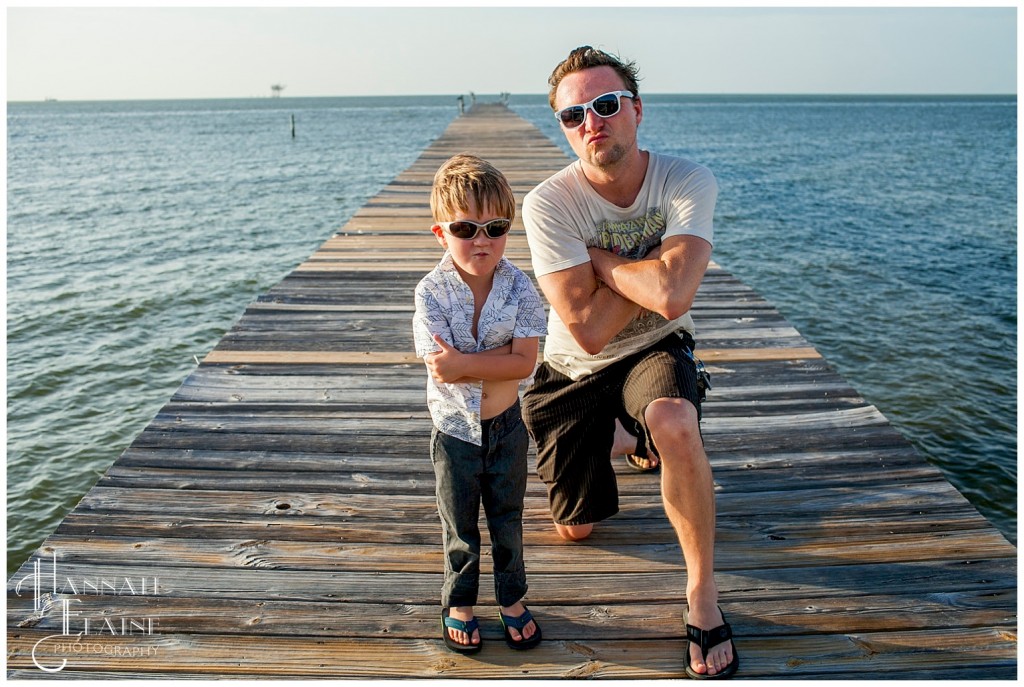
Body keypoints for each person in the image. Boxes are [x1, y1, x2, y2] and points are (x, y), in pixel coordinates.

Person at [520, 46, 738, 678]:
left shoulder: (687, 180)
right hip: (573, 369)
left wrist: (602, 262)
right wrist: (648, 267)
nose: (592, 122)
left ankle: (701, 595)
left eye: (606, 104)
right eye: (573, 115)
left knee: (675, 419)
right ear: (563, 127)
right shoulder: (548, 204)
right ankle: (625, 436)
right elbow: (584, 330)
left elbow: (673, 298)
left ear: (636, 110)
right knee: (576, 530)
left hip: (657, 347)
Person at [413, 154, 547, 654]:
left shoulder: (520, 287)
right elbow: (439, 367)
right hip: (453, 431)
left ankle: (511, 599)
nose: (482, 240)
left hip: (506, 427)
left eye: (496, 226)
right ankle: (460, 602)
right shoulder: (430, 293)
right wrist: (497, 358)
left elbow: (524, 365)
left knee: (508, 519)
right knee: (461, 525)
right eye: (466, 227)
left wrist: (467, 363)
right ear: (441, 233)